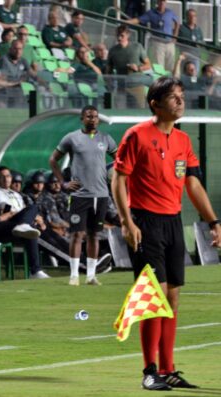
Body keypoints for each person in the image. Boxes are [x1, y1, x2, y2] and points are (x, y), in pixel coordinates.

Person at [111, 76, 221, 391]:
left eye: (182, 96)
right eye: (173, 97)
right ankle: (149, 371)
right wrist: (126, 221)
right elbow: (118, 179)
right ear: (155, 104)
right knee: (153, 297)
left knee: (171, 297)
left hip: (173, 222)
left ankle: (169, 369)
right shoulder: (137, 136)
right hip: (145, 223)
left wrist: (213, 221)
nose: (180, 101)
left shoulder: (183, 141)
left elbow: (193, 185)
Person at [49, 105, 117, 286]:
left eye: (95, 116)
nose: (92, 119)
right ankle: (73, 275)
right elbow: (53, 160)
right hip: (80, 195)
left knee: (95, 235)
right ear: (82, 118)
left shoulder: (106, 139)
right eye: (89, 116)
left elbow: (119, 159)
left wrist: (116, 176)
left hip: (101, 195)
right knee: (77, 234)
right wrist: (63, 183)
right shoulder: (72, 138)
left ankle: (91, 276)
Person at [107, 24, 152, 108]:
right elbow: (108, 70)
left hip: (136, 84)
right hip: (121, 86)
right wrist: (109, 83)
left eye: (122, 35)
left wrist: (138, 68)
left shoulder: (137, 47)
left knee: (138, 111)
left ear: (128, 35)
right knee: (120, 112)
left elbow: (148, 65)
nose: (119, 38)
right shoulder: (113, 50)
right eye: (118, 35)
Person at [128, 0, 179, 73]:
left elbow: (177, 23)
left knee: (170, 67)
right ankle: (160, 83)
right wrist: (125, 22)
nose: (162, 3)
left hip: (170, 43)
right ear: (157, 2)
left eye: (163, 1)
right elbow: (139, 20)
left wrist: (175, 36)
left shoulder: (170, 12)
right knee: (159, 68)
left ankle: (169, 83)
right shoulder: (151, 13)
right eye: (160, 1)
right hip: (158, 43)